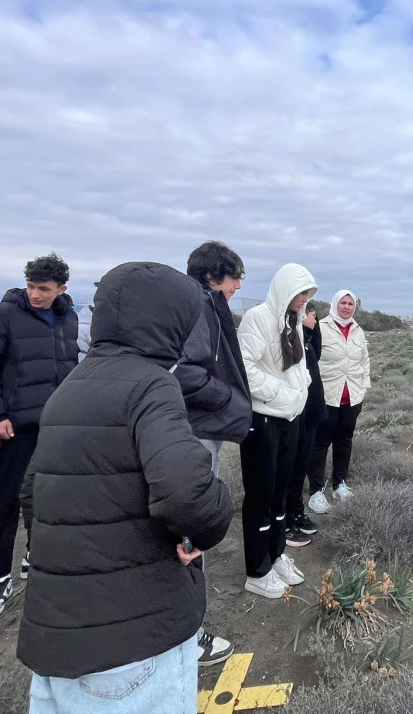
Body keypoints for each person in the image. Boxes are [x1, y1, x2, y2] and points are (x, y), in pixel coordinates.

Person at [18, 262, 233, 714]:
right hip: (136, 637)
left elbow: (32, 491)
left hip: (59, 631)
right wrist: (206, 527)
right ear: (168, 320)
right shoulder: (152, 384)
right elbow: (186, 490)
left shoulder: (72, 385)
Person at [0, 253, 79, 624]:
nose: (35, 294)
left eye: (43, 289)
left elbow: (68, 368)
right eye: (31, 286)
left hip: (58, 424)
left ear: (62, 288)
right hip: (18, 426)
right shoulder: (4, 314)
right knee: (8, 500)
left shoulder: (68, 317)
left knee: (51, 494)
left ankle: (37, 555)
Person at [172, 240, 252, 664]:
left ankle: (185, 628)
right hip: (195, 427)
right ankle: (188, 633)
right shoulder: (199, 308)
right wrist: (229, 400)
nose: (238, 285)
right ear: (211, 276)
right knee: (189, 524)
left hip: (197, 424)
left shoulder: (199, 305)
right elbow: (186, 371)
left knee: (185, 523)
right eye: (234, 276)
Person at [236, 263, 316, 598]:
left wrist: (302, 389)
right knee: (260, 495)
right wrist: (282, 394)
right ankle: (257, 570)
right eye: (300, 293)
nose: (304, 300)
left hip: (289, 419)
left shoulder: (293, 322)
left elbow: (298, 367)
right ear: (285, 290)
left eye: (308, 294)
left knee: (281, 492)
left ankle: (276, 552)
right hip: (264, 420)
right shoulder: (258, 319)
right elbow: (246, 368)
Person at [307, 289, 371, 515]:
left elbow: (364, 361)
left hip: (352, 396)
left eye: (350, 303)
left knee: (345, 440)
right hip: (326, 396)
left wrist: (363, 386)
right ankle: (316, 491)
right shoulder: (321, 328)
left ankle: (340, 484)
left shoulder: (358, 331)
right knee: (320, 442)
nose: (346, 307)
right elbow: (310, 360)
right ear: (335, 304)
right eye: (343, 303)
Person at [283, 300, 324, 546]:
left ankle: (297, 513)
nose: (315, 320)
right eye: (312, 315)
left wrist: (311, 330)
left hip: (310, 413)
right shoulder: (290, 335)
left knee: (300, 469)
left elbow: (317, 353)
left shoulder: (305, 338)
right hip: (296, 412)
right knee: (292, 470)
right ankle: (287, 521)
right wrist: (304, 326)